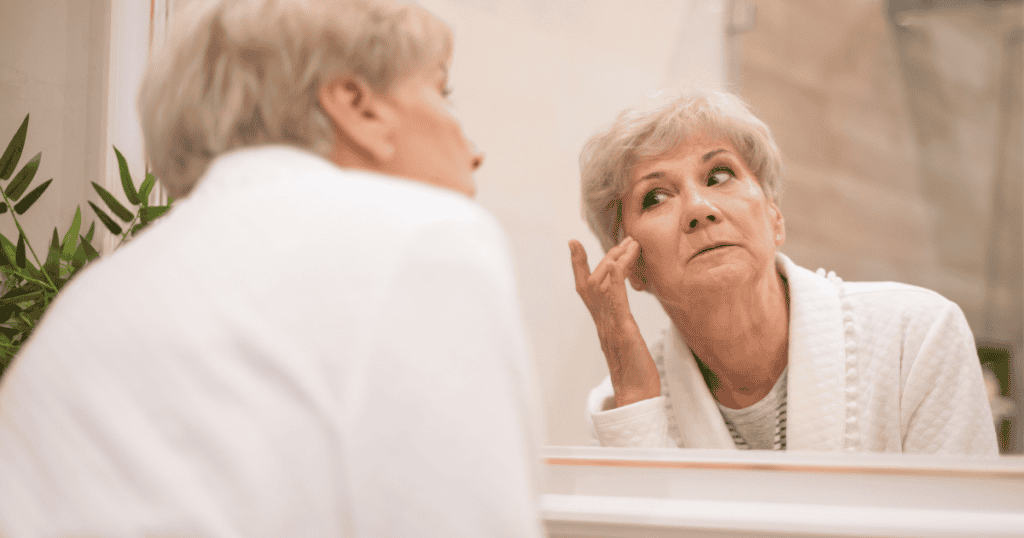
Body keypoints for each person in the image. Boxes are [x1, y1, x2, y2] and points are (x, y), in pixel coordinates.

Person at [0, 1, 545, 536]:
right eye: (441, 89)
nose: (472, 149)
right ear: (359, 106)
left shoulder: (95, 296)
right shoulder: (423, 238)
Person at [569, 89, 997, 454]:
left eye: (719, 175)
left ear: (774, 217)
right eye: (656, 197)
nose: (699, 209)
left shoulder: (917, 336)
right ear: (630, 264)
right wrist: (635, 398)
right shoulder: (620, 406)